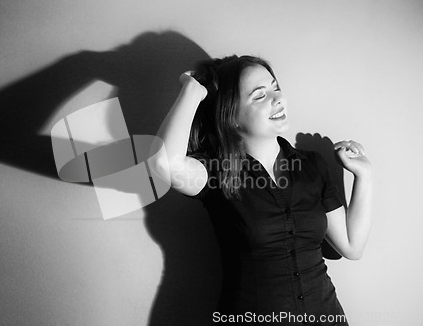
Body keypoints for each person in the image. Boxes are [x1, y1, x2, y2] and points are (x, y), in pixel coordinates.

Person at [151, 55, 372, 325]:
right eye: (260, 96)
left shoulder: (312, 166)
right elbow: (163, 164)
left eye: (275, 87)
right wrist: (192, 91)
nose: (277, 98)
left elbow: (351, 247)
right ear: (231, 116)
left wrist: (364, 175)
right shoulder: (218, 173)